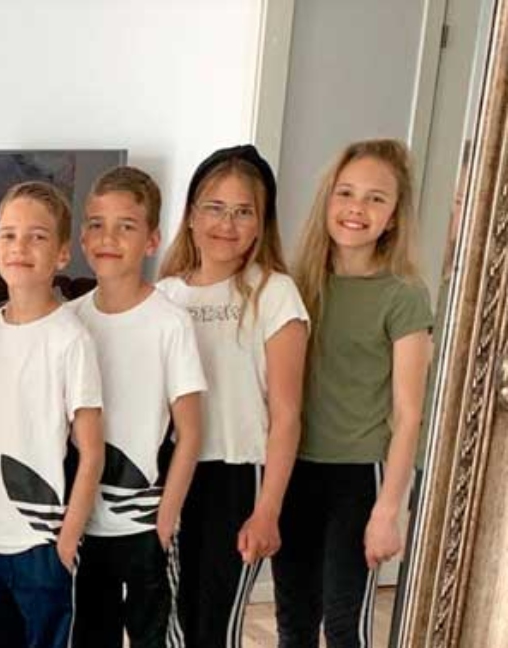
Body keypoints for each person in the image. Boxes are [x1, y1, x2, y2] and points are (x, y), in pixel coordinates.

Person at [275, 139, 432, 648]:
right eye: (346, 193)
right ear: (328, 199)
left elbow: (409, 415)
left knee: (344, 626)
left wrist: (387, 511)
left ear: (393, 217)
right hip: (293, 470)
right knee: (293, 622)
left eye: (375, 198)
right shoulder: (293, 285)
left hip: (359, 477)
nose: (356, 208)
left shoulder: (403, 296)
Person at [156, 145, 309, 648]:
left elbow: (286, 414)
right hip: (170, 473)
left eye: (244, 211)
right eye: (215, 208)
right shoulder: (166, 294)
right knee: (170, 618)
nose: (227, 223)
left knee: (214, 624)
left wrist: (268, 509)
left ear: (262, 224)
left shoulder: (275, 293)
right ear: (191, 215)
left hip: (238, 477)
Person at [0, 181, 105, 648]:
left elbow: (92, 452)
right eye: (8, 234)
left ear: (62, 254)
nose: (19, 247)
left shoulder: (71, 339)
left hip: (42, 545)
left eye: (37, 236)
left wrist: (67, 541)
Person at [68, 167, 205, 648]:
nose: (108, 238)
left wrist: (165, 520)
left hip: (145, 527)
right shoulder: (71, 320)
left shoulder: (170, 323)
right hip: (85, 528)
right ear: (82, 236)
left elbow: (190, 432)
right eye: (97, 224)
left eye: (125, 226)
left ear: (151, 241)